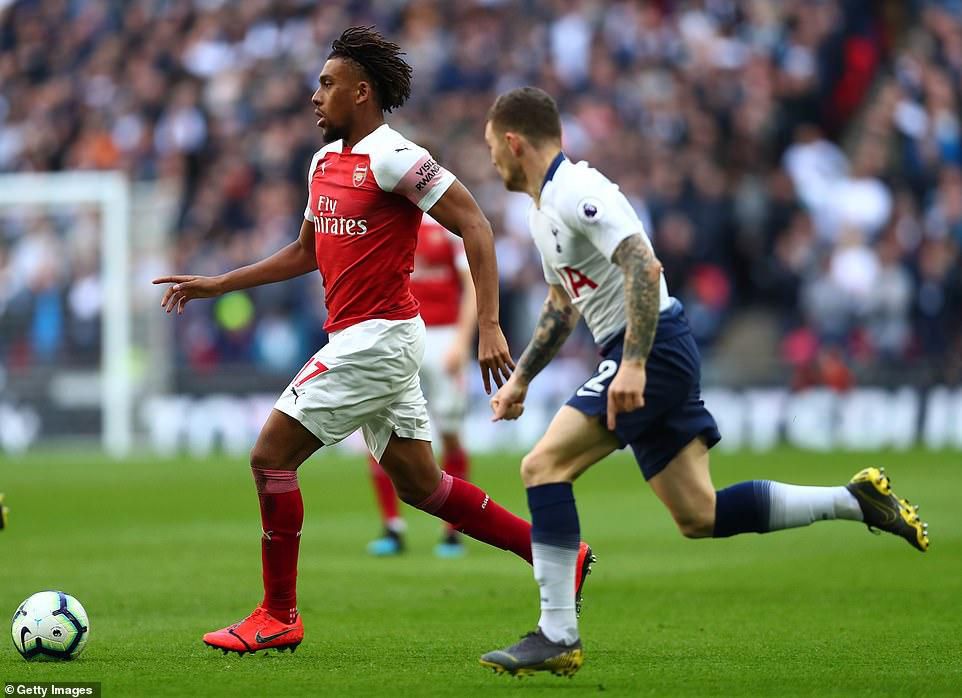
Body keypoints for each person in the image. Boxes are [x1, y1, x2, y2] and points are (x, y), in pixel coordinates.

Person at [153, 30, 592, 656]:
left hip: (378, 338)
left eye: (327, 84)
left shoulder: (394, 156)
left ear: (362, 92)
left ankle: (278, 614)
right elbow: (307, 251)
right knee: (423, 487)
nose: (315, 96)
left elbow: (475, 223)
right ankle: (557, 557)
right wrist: (218, 284)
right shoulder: (322, 162)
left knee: (269, 458)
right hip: (369, 337)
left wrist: (489, 324)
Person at [477, 87, 930, 678]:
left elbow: (643, 264)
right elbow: (563, 305)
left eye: (492, 148)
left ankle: (557, 634)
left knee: (542, 466)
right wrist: (520, 382)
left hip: (652, 347)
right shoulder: (543, 211)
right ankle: (855, 501)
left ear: (514, 142)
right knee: (699, 515)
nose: (490, 160)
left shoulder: (578, 191)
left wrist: (634, 363)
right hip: (651, 347)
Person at [366, 213, 477, 559]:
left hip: (443, 337)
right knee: (379, 427)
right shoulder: (387, 221)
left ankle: (453, 530)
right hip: (398, 336)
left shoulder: (446, 224)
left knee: (449, 431)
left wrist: (462, 340)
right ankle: (392, 527)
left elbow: (472, 285)